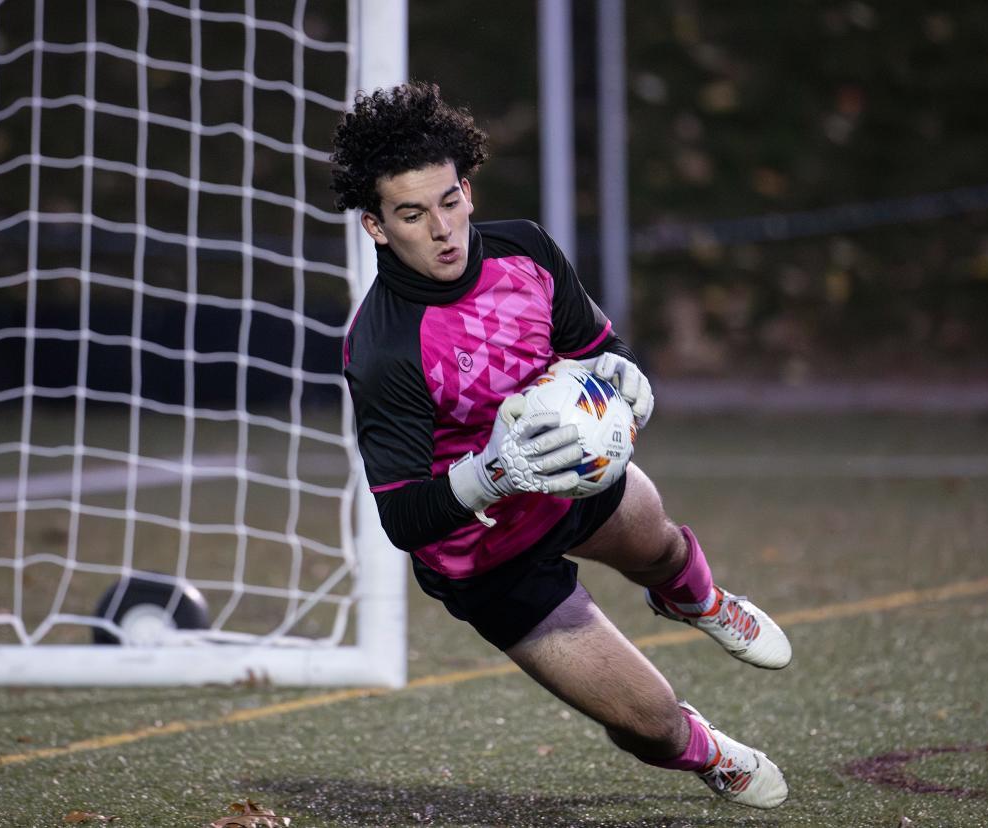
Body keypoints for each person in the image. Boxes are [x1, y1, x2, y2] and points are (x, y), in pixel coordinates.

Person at [332, 81, 791, 810]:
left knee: (659, 540)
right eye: (413, 215)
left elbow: (598, 346)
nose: (443, 229)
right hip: (486, 561)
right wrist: (488, 475)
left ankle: (696, 600)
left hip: (571, 484)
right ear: (377, 227)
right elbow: (402, 520)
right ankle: (706, 748)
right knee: (650, 722)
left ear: (468, 190)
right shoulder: (382, 348)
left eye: (449, 201)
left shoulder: (527, 250)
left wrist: (623, 372)